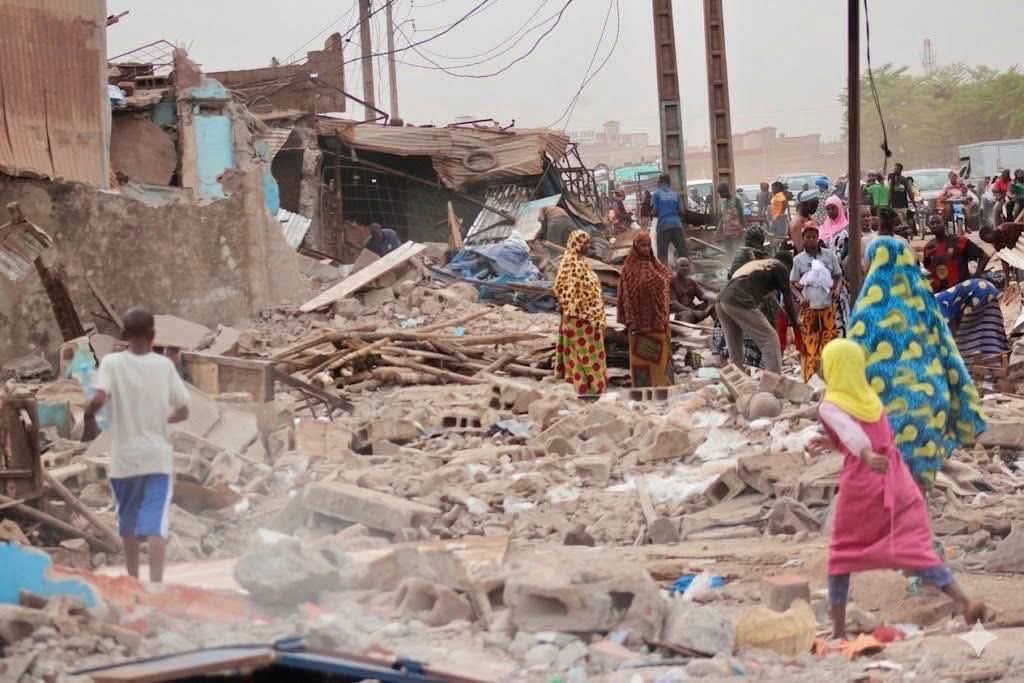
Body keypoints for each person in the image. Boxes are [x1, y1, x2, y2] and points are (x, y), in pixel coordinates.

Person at [807, 339, 986, 640]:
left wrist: (865, 455)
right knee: (913, 548)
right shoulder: (869, 399)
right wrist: (831, 442)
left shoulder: (830, 404)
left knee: (841, 554)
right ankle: (965, 602)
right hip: (898, 479)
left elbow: (854, 436)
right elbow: (865, 435)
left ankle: (838, 632)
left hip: (864, 486)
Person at [846, 237, 986, 489]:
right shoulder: (924, 303)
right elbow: (949, 352)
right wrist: (964, 401)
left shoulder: (866, 308)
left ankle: (894, 502)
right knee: (918, 475)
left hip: (882, 409)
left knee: (886, 473)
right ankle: (916, 500)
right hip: (931, 400)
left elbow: (850, 359)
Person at [82, 308, 190, 583]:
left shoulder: (112, 363)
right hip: (156, 459)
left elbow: (99, 398)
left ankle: (133, 580)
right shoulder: (164, 366)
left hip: (124, 459)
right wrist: (162, 419)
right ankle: (156, 584)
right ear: (153, 335)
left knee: (128, 522)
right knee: (155, 524)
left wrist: (89, 415)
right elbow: (184, 410)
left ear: (124, 335)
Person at [716, 252, 801, 374]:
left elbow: (771, 298)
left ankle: (737, 376)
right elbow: (788, 300)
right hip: (737, 298)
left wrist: (785, 315)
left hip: (721, 300)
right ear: (789, 266)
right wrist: (795, 323)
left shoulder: (761, 266)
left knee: (734, 342)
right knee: (770, 339)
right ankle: (774, 378)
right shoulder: (781, 267)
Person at [553, 230, 607, 396]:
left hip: (589, 315)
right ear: (576, 244)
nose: (588, 246)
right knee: (585, 352)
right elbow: (563, 289)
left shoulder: (581, 262)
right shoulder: (570, 263)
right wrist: (577, 311)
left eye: (588, 243)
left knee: (586, 352)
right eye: (584, 243)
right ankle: (587, 387)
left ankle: (588, 386)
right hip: (579, 317)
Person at [711, 226, 772, 367]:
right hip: (749, 300)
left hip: (742, 299)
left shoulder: (745, 253)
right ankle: (750, 365)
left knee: (734, 335)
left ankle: (735, 364)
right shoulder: (756, 255)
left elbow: (731, 275)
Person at [618, 233, 673, 387]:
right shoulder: (628, 269)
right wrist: (630, 320)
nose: (646, 249)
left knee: (661, 359)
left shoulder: (657, 266)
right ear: (636, 247)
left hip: (658, 322)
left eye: (648, 245)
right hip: (639, 325)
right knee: (642, 361)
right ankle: (643, 389)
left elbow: (667, 279)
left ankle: (663, 387)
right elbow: (626, 297)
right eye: (643, 245)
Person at [791, 224, 842, 381]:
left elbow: (838, 275)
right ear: (803, 239)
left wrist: (837, 290)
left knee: (830, 343)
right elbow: (792, 283)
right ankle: (810, 379)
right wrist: (800, 298)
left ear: (818, 237)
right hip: (809, 309)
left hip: (827, 307)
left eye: (814, 236)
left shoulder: (829, 255)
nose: (811, 239)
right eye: (808, 237)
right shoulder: (798, 260)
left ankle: (831, 377)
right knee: (809, 344)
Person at [936, 278, 1009, 357]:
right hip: (984, 288)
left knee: (968, 340)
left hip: (978, 291)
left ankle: (991, 355)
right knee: (989, 326)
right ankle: (996, 352)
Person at [923, 214, 989, 291]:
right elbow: (927, 267)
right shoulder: (928, 247)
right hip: (940, 291)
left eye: (938, 222)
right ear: (929, 227)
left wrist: (977, 275)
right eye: (932, 223)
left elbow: (984, 256)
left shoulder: (960, 241)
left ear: (944, 223)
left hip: (961, 289)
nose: (935, 225)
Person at [818, 195, 852, 336]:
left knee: (843, 307)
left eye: (833, 208)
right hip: (825, 278)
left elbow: (846, 253)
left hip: (841, 278)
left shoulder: (846, 229)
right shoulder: (823, 229)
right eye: (828, 209)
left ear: (840, 208)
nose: (830, 212)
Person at [651, 173, 688, 264]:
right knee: (683, 253)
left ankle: (664, 272)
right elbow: (682, 211)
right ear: (669, 182)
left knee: (662, 255)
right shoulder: (676, 194)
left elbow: (655, 211)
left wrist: (653, 213)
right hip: (677, 225)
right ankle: (685, 270)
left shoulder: (656, 194)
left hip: (663, 227)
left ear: (660, 182)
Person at [670, 257, 716, 323]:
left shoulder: (691, 282)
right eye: (682, 266)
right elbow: (674, 304)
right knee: (688, 314)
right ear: (676, 267)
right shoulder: (671, 282)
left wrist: (715, 298)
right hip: (679, 313)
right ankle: (686, 329)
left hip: (693, 310)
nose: (685, 268)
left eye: (687, 265)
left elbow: (702, 296)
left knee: (714, 305)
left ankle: (720, 327)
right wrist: (692, 311)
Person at [717, 181, 745, 253]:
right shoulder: (724, 202)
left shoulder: (736, 200)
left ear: (726, 191)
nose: (720, 196)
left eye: (721, 193)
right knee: (728, 252)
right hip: (727, 233)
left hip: (736, 233)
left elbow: (742, 216)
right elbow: (723, 217)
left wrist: (743, 229)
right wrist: (718, 230)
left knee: (737, 251)